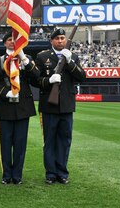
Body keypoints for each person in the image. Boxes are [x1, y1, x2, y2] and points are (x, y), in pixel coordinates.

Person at [33, 28, 86, 185]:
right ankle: (50, 173)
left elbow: (81, 77)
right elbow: (35, 79)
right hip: (49, 105)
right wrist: (49, 80)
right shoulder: (42, 57)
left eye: (63, 38)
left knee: (64, 141)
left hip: (66, 106)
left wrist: (69, 62)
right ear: (52, 41)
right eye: (57, 39)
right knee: (50, 141)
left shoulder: (73, 57)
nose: (61, 41)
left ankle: (62, 173)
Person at [0, 32, 39, 185]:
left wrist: (24, 59)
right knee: (5, 143)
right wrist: (5, 93)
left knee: (20, 143)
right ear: (4, 43)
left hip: (23, 106)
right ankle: (6, 175)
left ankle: (17, 175)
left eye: (15, 40)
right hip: (5, 106)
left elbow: (36, 76)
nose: (12, 42)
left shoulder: (26, 59)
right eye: (10, 40)